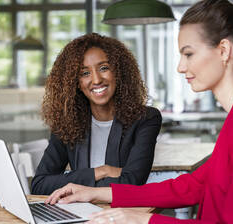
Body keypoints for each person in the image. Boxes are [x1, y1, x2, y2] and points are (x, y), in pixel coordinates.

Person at [45, 1, 233, 224]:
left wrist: (143, 221)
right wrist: (97, 194)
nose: (180, 67)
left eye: (188, 54)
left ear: (223, 50)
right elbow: (192, 186)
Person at [31, 33, 162, 195]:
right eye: (85, 73)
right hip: (79, 214)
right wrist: (101, 171)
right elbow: (40, 184)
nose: (97, 79)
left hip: (122, 214)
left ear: (118, 72)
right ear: (76, 83)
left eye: (104, 68)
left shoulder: (145, 118)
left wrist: (74, 184)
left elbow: (132, 182)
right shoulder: (68, 121)